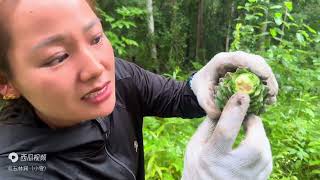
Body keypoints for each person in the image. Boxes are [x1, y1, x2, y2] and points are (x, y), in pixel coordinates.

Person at [0, 0, 278, 179]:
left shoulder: (120, 77)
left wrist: (209, 81)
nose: (96, 68)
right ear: (6, 83)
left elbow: (177, 97)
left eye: (95, 37)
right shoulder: (19, 169)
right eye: (58, 57)